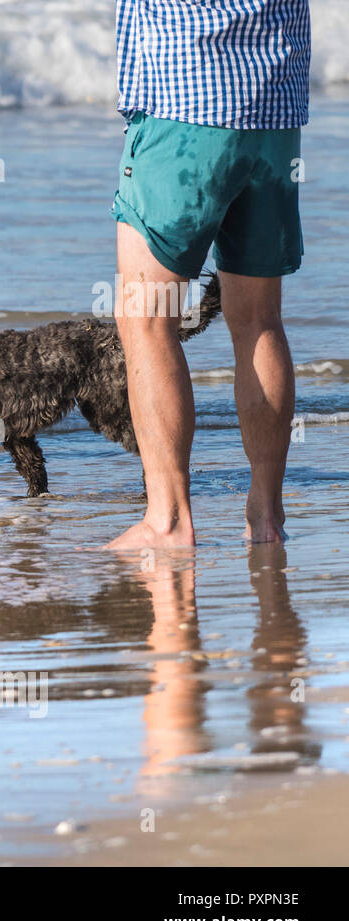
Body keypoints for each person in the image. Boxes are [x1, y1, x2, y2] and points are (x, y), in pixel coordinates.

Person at [105, 0, 310, 549]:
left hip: (185, 103)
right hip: (274, 109)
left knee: (147, 321)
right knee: (260, 321)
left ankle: (167, 521)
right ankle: (266, 518)